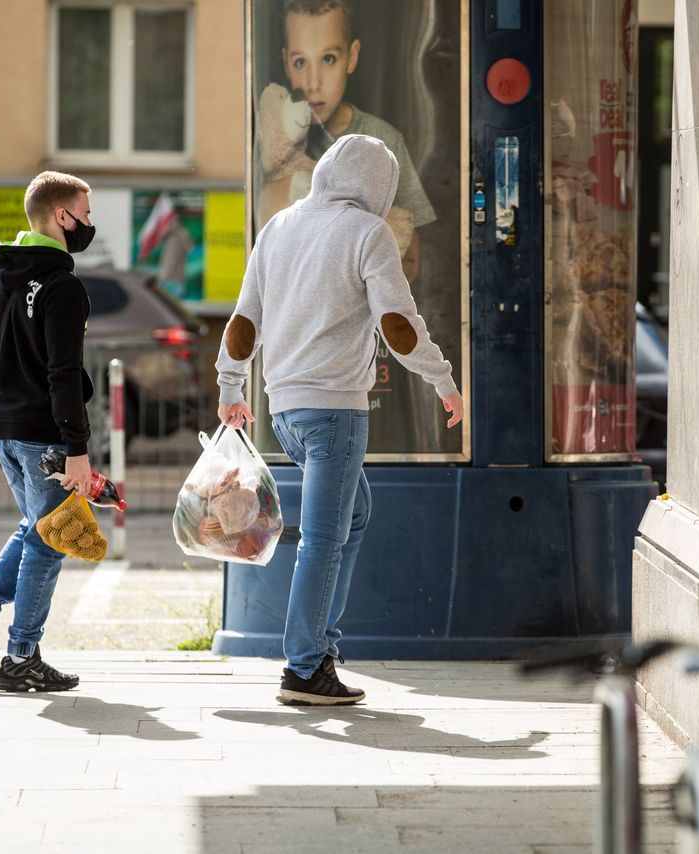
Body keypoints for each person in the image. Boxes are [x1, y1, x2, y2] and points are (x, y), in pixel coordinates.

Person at [217, 134, 464, 706]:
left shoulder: (278, 227)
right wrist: (445, 381)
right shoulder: (368, 232)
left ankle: (320, 647)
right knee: (325, 537)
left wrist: (231, 385)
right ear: (379, 187)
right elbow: (398, 324)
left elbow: (243, 320)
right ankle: (304, 667)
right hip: (334, 411)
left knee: (353, 514)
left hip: (284, 410)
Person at [0, 171, 98, 693]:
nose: (89, 223)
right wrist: (77, 448)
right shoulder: (62, 285)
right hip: (46, 436)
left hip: (5, 428)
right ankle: (22, 655)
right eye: (85, 213)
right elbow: (63, 373)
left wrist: (10, 402)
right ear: (61, 216)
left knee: (36, 528)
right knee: (50, 543)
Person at [260, 0, 435, 283]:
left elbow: (411, 252)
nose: (313, 82)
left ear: (352, 58)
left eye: (328, 59)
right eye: (300, 62)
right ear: (285, 63)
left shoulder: (383, 139)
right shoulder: (278, 140)